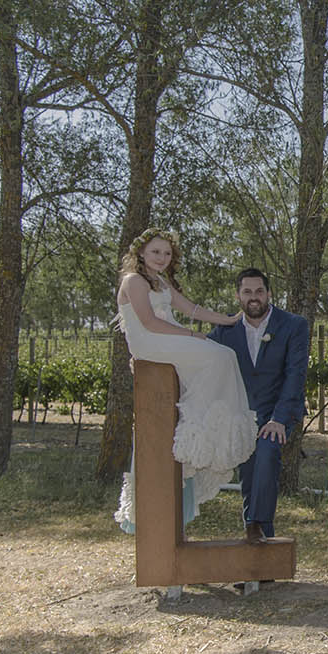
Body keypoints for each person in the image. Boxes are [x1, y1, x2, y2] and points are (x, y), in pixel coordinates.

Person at [111, 229, 258, 534]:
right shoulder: (133, 281)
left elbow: (190, 309)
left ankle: (206, 424)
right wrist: (193, 335)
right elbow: (149, 322)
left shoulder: (161, 281)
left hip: (167, 336)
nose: (161, 258)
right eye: (155, 252)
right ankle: (198, 427)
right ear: (141, 253)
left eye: (166, 253)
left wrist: (226, 319)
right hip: (149, 340)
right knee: (216, 357)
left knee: (225, 355)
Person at [206, 268, 310, 543]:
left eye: (259, 291)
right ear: (238, 295)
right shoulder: (224, 330)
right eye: (247, 292)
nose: (254, 297)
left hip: (278, 411)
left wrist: (278, 418)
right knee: (249, 471)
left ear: (269, 293)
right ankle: (259, 549)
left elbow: (295, 374)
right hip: (241, 412)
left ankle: (254, 525)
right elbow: (200, 355)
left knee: (266, 452)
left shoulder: (293, 325)